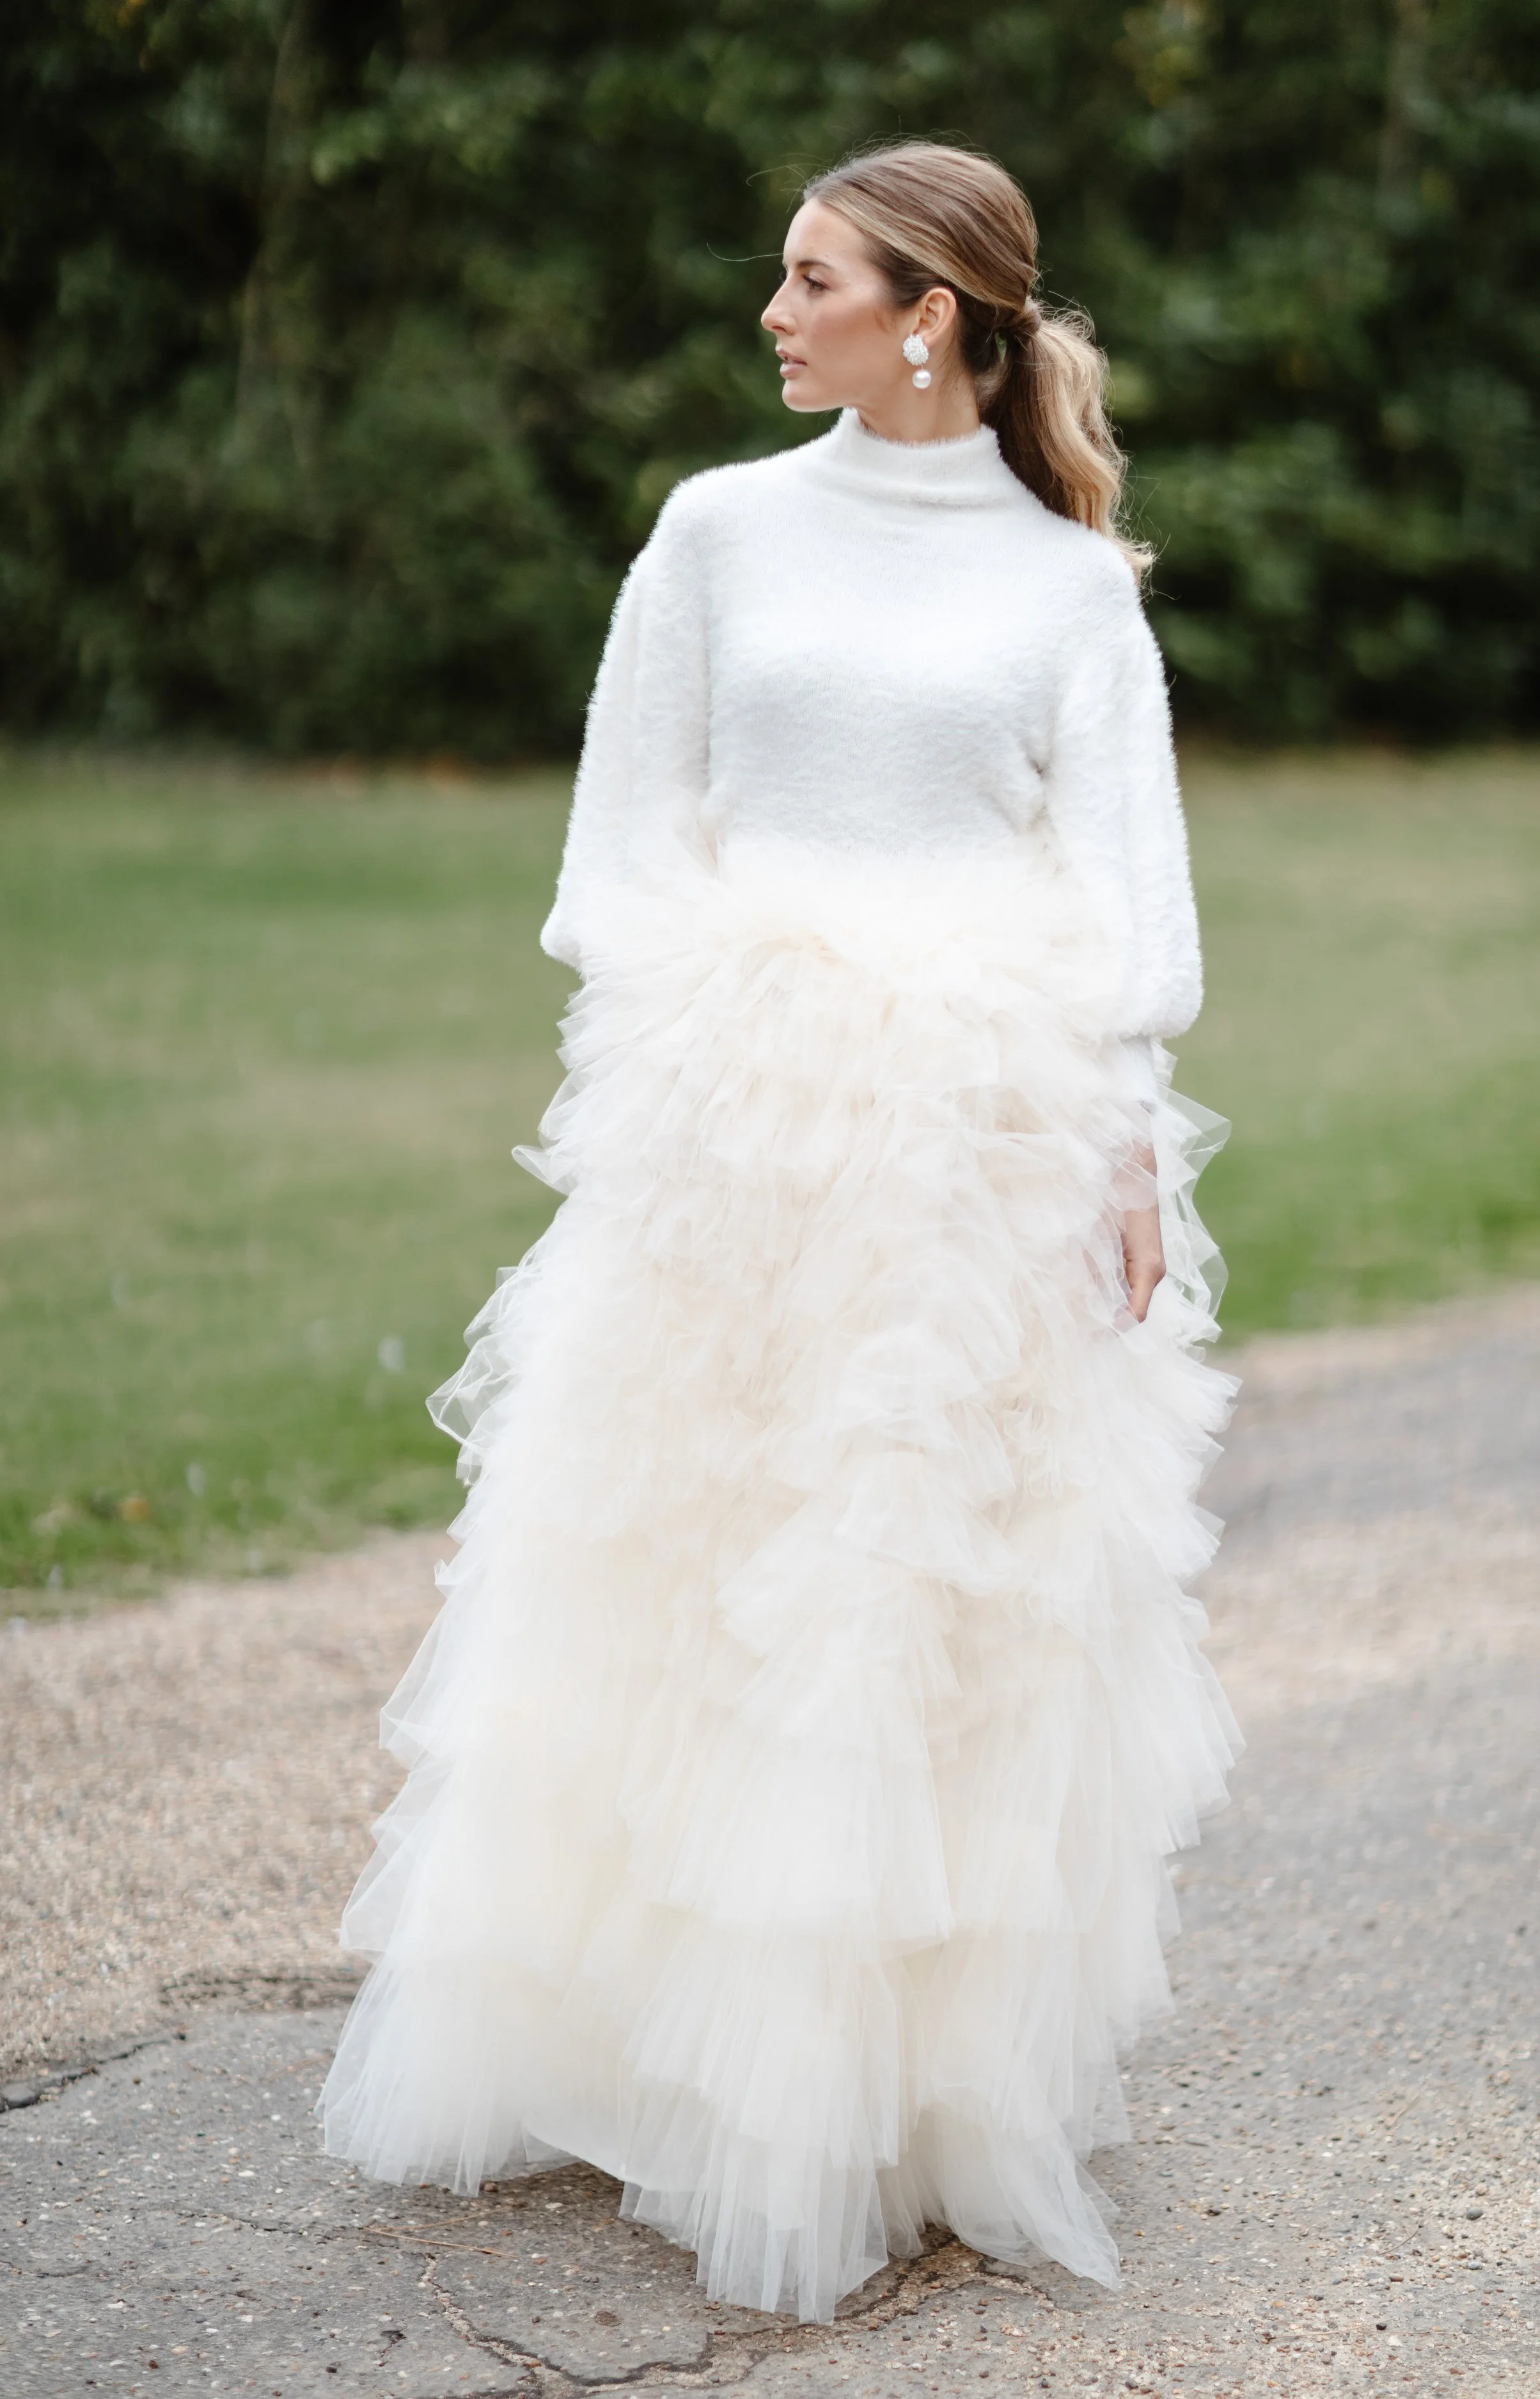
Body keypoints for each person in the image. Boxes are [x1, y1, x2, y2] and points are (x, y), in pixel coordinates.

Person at [318, 139, 1240, 2326]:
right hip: (733, 1125)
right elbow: (619, 845)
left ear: (928, 313)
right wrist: (708, 1059)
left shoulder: (1069, 592)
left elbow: (1128, 902)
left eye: (810, 278)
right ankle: (635, 2037)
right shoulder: (715, 531)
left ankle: (890, 2089)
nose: (772, 311)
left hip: (979, 1158)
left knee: (912, 1589)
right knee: (684, 1554)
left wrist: (1119, 1146)